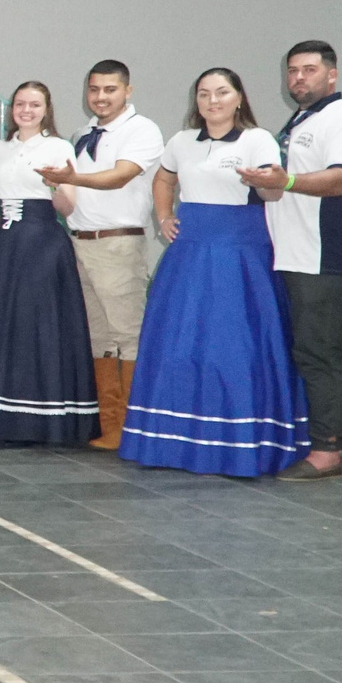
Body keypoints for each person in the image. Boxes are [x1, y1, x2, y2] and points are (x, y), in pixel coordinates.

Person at [119, 69, 308, 476]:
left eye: (222, 92)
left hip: (240, 254)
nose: (213, 101)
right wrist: (165, 214)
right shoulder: (182, 141)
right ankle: (173, 442)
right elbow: (164, 177)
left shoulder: (258, 139)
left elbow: (272, 191)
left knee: (234, 346)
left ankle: (238, 442)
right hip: (189, 254)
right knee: (178, 344)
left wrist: (266, 183)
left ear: (238, 97)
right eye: (204, 94)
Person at [248, 40, 342, 478]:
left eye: (308, 69)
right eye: (292, 71)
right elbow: (284, 187)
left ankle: (327, 450)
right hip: (297, 254)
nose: (298, 78)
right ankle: (329, 440)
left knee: (318, 351)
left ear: (332, 74)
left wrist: (284, 180)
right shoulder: (303, 119)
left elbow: (341, 180)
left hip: (330, 257)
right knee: (317, 349)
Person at [36, 60, 165, 450]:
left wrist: (69, 178)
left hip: (118, 242)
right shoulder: (82, 133)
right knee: (99, 337)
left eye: (110, 89)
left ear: (128, 90)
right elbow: (70, 193)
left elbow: (121, 175)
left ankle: (135, 424)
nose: (101, 97)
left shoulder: (142, 130)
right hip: (79, 241)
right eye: (94, 89)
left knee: (128, 334)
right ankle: (109, 424)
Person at [0, 81, 99, 444]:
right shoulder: (1, 148)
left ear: (46, 109)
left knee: (37, 325)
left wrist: (56, 185)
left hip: (43, 242)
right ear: (12, 109)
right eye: (20, 104)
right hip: (4, 245)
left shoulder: (58, 146)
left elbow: (68, 206)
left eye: (34, 105)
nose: (26, 110)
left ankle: (42, 418)